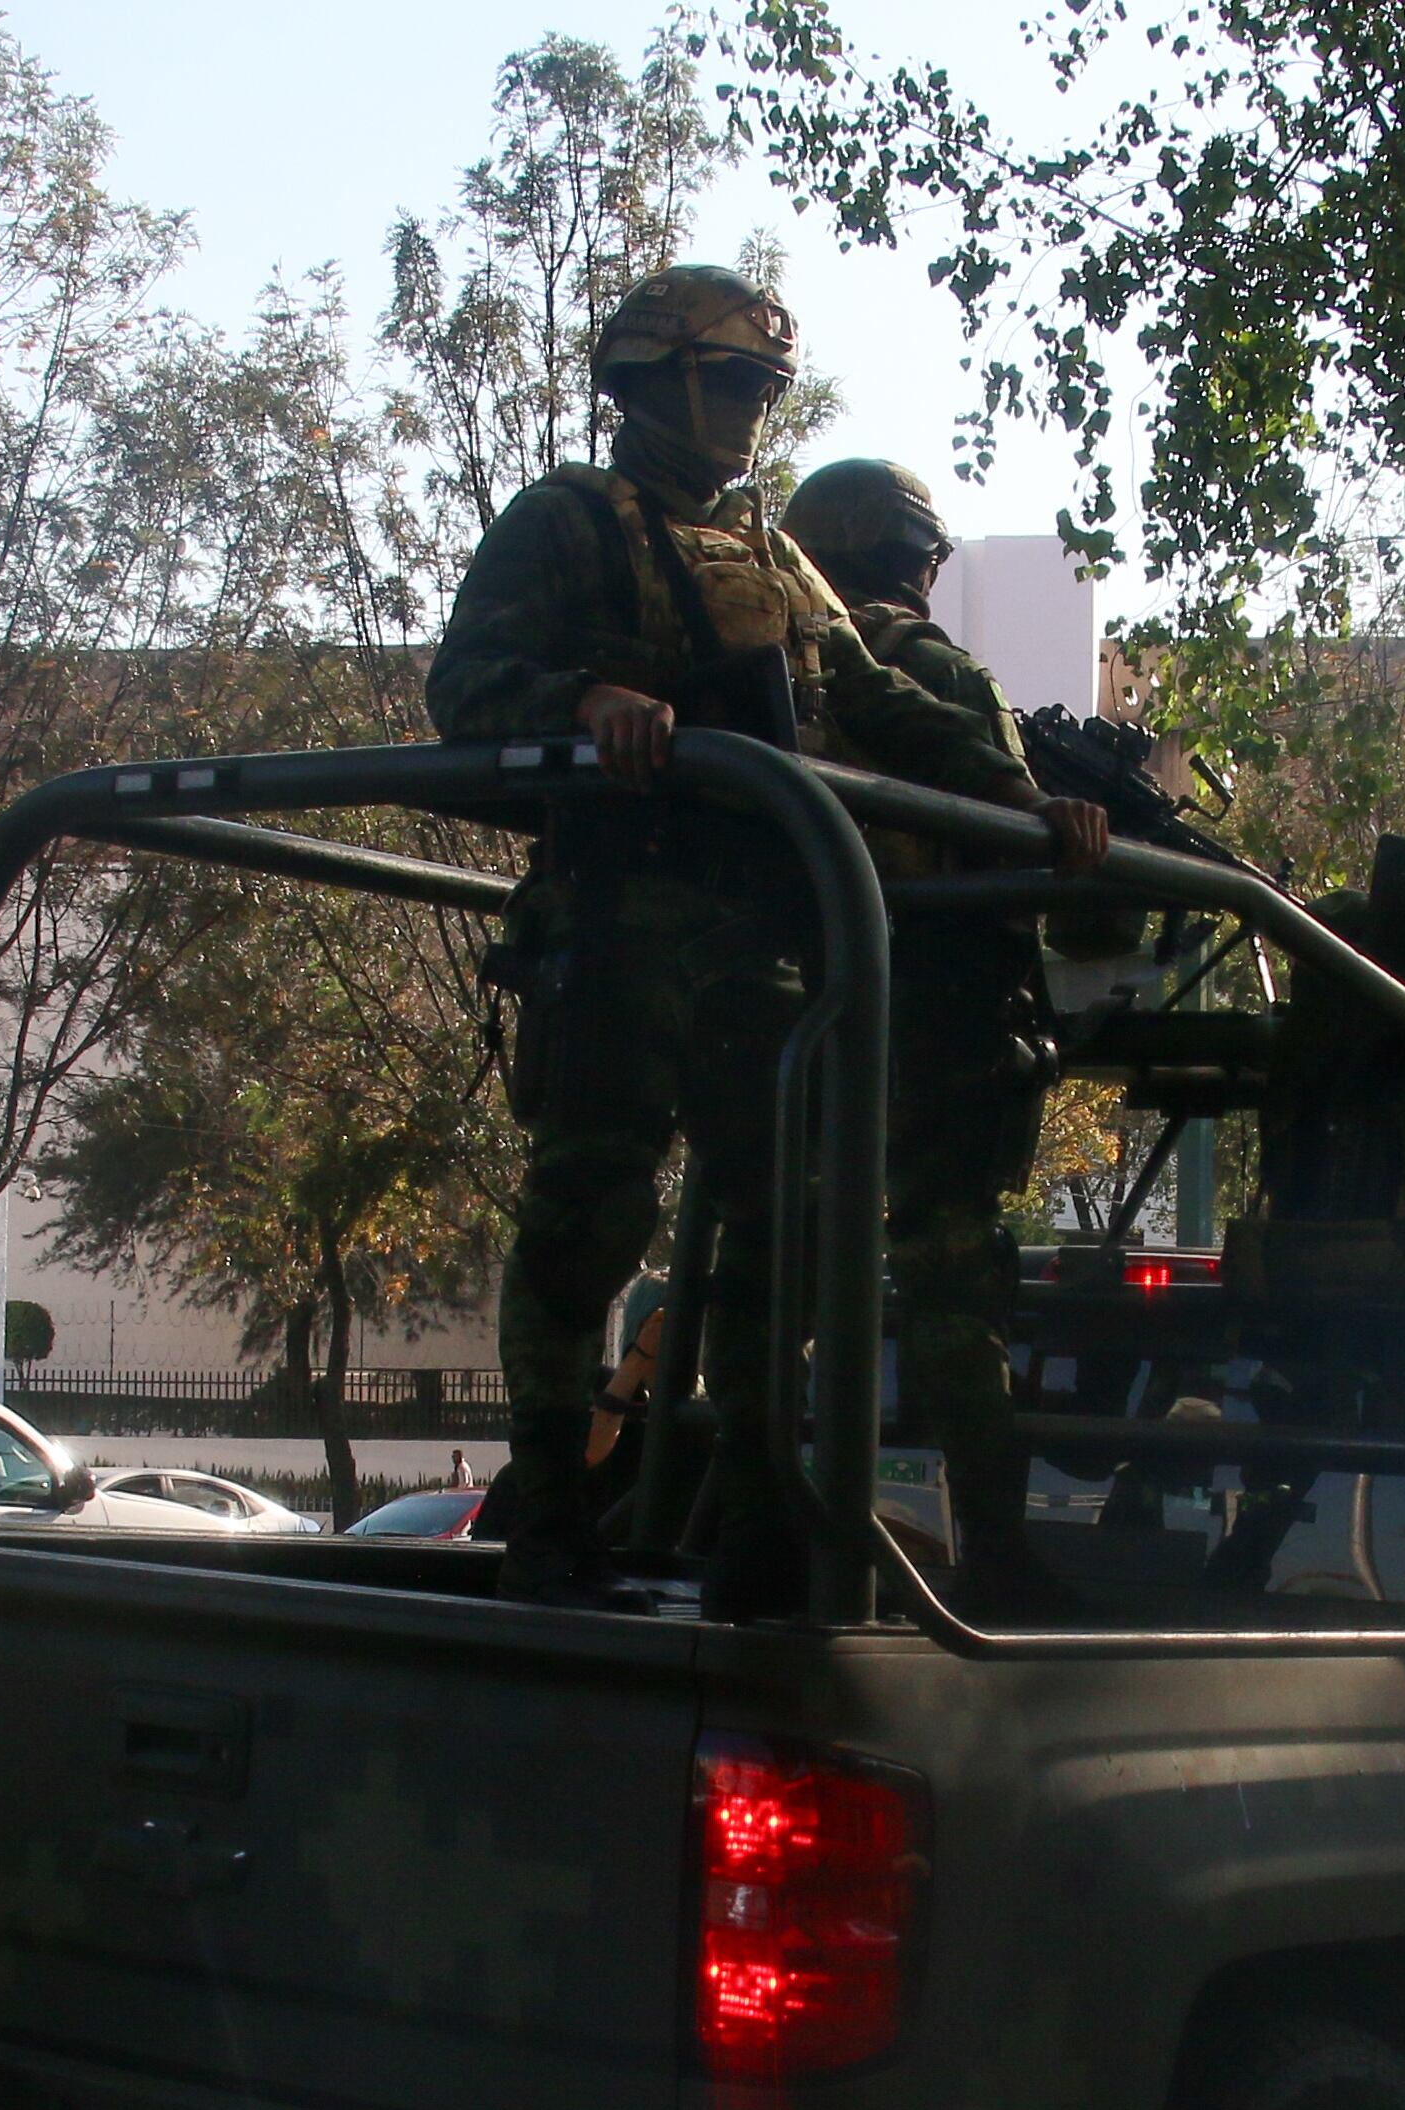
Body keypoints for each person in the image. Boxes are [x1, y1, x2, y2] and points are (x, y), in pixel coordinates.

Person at [424, 267, 1061, 1609]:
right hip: (611, 922)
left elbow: (871, 694)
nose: (748, 415)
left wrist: (1019, 798)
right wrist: (582, 698)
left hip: (752, 941)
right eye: (733, 385)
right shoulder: (564, 524)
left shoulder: (769, 551)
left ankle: (763, 1515)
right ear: (656, 381)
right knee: (584, 1222)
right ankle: (549, 1518)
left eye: (766, 391)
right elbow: (462, 686)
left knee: (781, 1230)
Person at [776, 457, 1109, 1606]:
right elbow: (1024, 845)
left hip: (801, 1008)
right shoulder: (929, 669)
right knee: (953, 1282)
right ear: (907, 555)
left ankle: (745, 1515)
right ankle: (999, 1553)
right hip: (943, 1017)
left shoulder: (777, 668)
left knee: (774, 1267)